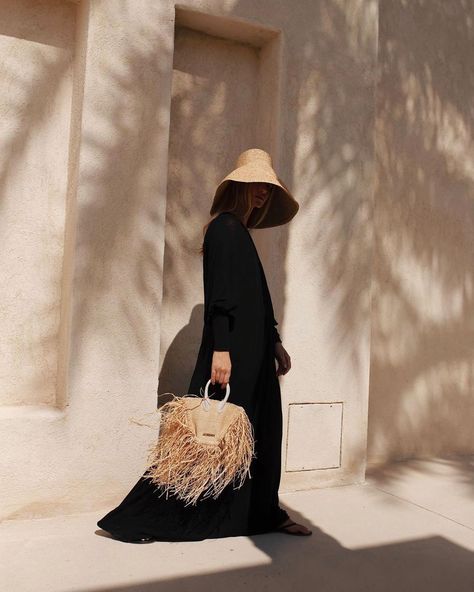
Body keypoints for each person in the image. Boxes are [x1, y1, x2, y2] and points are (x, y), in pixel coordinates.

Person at [96, 148, 312, 542]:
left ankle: (263, 515)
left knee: (261, 434)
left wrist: (275, 342)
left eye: (266, 186)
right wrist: (222, 349)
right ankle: (136, 520)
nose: (261, 191)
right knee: (201, 441)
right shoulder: (224, 229)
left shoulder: (239, 234)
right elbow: (221, 298)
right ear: (237, 187)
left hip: (257, 353)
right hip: (235, 355)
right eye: (254, 184)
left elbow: (257, 298)